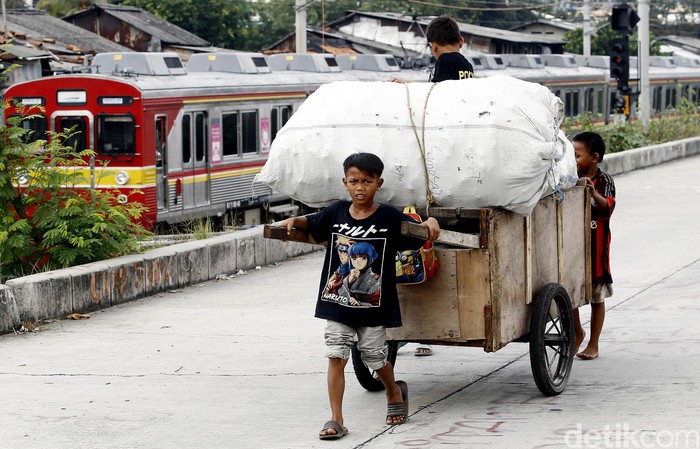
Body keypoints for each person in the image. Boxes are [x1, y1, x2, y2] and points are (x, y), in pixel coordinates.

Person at [277, 152, 440, 440]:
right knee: (335, 355)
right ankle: (336, 419)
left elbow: (419, 233)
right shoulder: (336, 212)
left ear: (379, 183)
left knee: (375, 357)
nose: (360, 187)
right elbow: (311, 222)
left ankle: (393, 388)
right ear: (345, 183)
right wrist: (294, 220)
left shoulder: (389, 216)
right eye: (354, 181)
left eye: (367, 181)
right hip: (336, 302)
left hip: (374, 305)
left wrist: (431, 224)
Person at [572, 131, 616, 360]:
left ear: (595, 157)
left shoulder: (604, 180)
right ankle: (577, 332)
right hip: (574, 249)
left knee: (597, 298)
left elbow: (607, 207)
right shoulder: (570, 179)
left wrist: (592, 192)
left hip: (597, 251)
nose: (573, 160)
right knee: (571, 295)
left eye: (577, 155)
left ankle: (594, 344)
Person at [390, 15, 474, 84]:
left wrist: (406, 84)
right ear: (461, 41)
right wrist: (407, 82)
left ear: (433, 47)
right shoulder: (467, 65)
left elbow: (433, 91)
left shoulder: (444, 61)